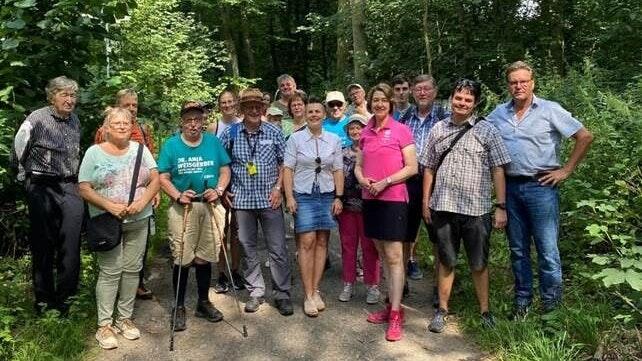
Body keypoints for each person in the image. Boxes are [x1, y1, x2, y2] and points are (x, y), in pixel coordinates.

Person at [487, 61, 593, 318]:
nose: (518, 86)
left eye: (524, 81)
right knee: (518, 249)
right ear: (508, 85)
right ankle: (522, 302)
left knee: (547, 250)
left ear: (533, 83)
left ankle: (551, 309)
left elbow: (585, 136)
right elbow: (479, 135)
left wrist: (565, 170)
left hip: (541, 187)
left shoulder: (549, 110)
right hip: (510, 188)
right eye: (514, 82)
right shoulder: (498, 114)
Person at [420, 79, 511, 333]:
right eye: (459, 98)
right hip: (444, 206)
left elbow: (498, 169)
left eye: (468, 100)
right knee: (446, 260)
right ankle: (442, 310)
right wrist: (425, 202)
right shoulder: (438, 129)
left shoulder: (487, 130)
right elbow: (428, 167)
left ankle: (485, 311)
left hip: (477, 209)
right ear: (452, 98)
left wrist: (501, 206)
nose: (462, 103)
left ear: (475, 103)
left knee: (479, 263)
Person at [78, 107, 159, 349]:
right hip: (106, 221)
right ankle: (104, 325)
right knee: (110, 271)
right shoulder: (94, 153)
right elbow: (84, 187)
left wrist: (142, 202)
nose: (122, 126)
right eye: (116, 123)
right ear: (105, 129)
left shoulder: (141, 151)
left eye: (126, 123)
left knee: (132, 270)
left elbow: (156, 179)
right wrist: (109, 206)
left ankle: (124, 318)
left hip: (139, 218)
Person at [219, 88, 294, 316]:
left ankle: (282, 294)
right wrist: (224, 191)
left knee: (278, 248)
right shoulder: (230, 134)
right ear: (241, 109)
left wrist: (279, 188)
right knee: (247, 247)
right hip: (242, 201)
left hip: (269, 199)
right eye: (248, 106)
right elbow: (222, 165)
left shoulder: (274, 131)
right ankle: (256, 292)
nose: (253, 110)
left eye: (257, 106)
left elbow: (285, 164)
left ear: (262, 108)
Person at [12, 76, 83, 314]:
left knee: (71, 243)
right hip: (42, 186)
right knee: (43, 243)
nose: (69, 100)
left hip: (70, 185)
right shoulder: (36, 119)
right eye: (64, 94)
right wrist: (26, 179)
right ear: (52, 96)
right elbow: (18, 149)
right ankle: (44, 300)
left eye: (73, 95)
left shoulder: (75, 121)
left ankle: (67, 299)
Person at [157, 104, 231, 331]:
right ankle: (178, 306)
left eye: (197, 119)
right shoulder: (171, 145)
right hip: (184, 208)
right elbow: (163, 177)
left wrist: (218, 190)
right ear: (182, 122)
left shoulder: (212, 142)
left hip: (210, 205)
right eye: (189, 119)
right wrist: (177, 195)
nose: (193, 124)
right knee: (182, 256)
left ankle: (203, 302)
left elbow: (225, 170)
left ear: (203, 121)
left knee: (205, 256)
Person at [356, 83, 417, 342]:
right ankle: (391, 306)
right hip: (370, 199)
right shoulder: (366, 132)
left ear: (391, 103)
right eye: (375, 99)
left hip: (393, 199)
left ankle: (395, 313)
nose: (379, 104)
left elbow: (412, 167)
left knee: (394, 257)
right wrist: (361, 179)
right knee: (380, 253)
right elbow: (359, 165)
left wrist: (386, 181)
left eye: (384, 99)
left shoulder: (401, 130)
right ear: (370, 103)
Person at [94, 88, 158, 300]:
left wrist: (153, 191)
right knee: (113, 239)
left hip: (141, 196)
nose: (131, 109)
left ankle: (136, 282)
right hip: (113, 197)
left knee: (140, 242)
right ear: (117, 106)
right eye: (127, 105)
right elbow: (98, 163)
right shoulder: (105, 130)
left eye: (135, 105)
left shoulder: (142, 128)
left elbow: (152, 160)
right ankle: (113, 287)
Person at [283, 97, 344, 317]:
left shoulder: (334, 139)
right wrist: (289, 197)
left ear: (324, 114)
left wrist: (339, 197)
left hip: (327, 194)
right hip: (304, 194)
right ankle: (307, 294)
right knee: (306, 241)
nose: (314, 114)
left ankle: (316, 289)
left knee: (322, 241)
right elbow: (288, 169)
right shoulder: (295, 139)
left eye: (318, 111)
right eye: (310, 112)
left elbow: (338, 170)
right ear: (305, 115)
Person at [400, 75, 450, 303]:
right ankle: (401, 283)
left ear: (435, 92)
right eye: (418, 89)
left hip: (437, 182)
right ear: (412, 92)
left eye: (426, 89)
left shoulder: (445, 118)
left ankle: (439, 288)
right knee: (404, 234)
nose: (422, 93)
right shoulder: (404, 118)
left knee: (438, 236)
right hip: (408, 182)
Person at [336, 113, 381, 304]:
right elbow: (336, 176)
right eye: (352, 128)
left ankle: (373, 285)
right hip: (347, 207)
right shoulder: (341, 152)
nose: (356, 131)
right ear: (347, 131)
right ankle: (348, 282)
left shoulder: (373, 150)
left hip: (368, 206)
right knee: (348, 246)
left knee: (369, 247)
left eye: (359, 127)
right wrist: (336, 198)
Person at [207, 91, 245, 295]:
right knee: (221, 230)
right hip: (221, 183)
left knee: (236, 231)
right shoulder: (214, 127)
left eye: (230, 101)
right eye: (223, 102)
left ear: (236, 103)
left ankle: (236, 269)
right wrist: (218, 188)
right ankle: (221, 273)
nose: (227, 105)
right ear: (219, 105)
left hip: (240, 183)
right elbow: (211, 157)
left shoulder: (243, 123)